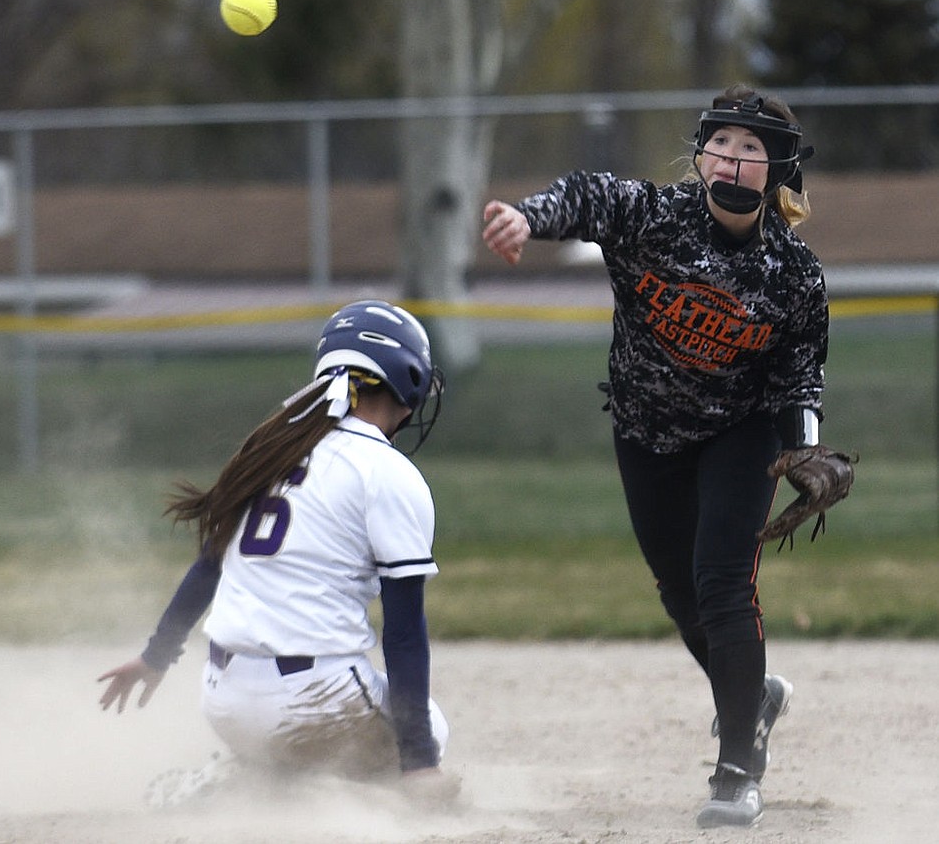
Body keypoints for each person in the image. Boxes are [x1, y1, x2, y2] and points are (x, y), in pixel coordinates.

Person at [482, 84, 842, 828]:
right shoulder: (655, 218)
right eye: (722, 143)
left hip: (739, 434)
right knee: (680, 594)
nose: (732, 159)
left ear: (778, 172)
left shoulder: (795, 274)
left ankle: (739, 769)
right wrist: (528, 216)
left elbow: (797, 375)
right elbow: (587, 197)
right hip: (645, 428)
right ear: (701, 152)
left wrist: (804, 445)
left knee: (721, 586)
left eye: (752, 150)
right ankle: (754, 696)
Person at [98, 299, 458, 807]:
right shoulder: (387, 471)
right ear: (408, 380)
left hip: (223, 701)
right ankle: (290, 793)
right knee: (431, 729)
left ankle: (250, 779)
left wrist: (155, 657)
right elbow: (403, 632)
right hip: (313, 704)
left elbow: (208, 567)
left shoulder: (274, 450)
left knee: (314, 736)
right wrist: (420, 762)